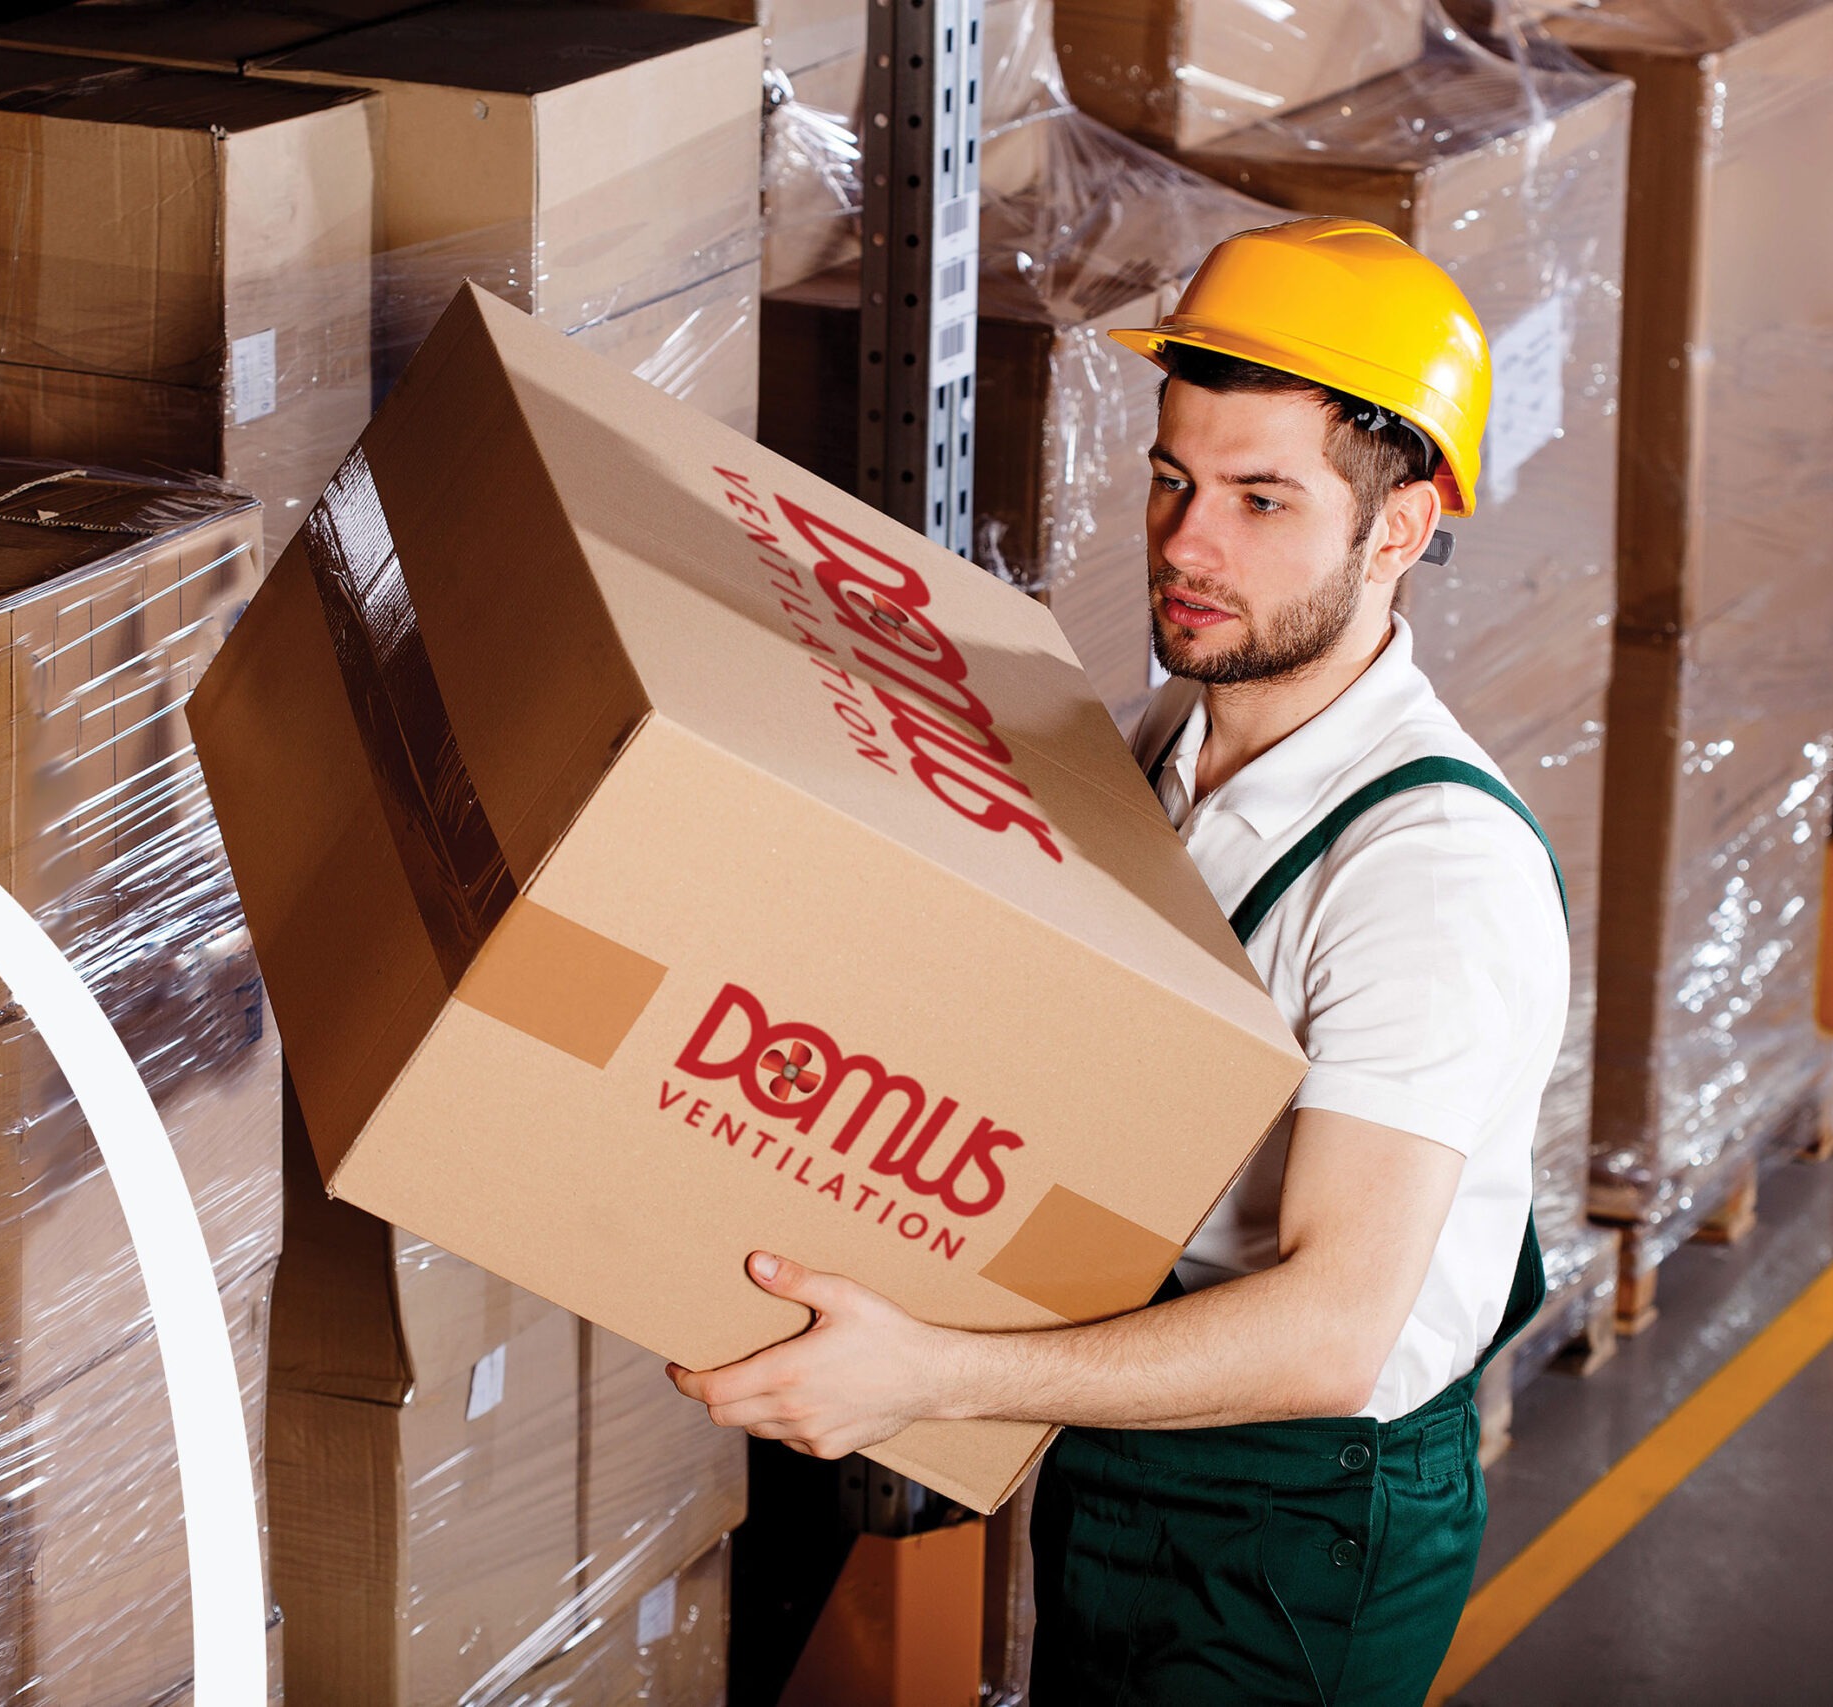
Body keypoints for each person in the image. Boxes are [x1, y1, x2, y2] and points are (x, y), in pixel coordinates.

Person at [670, 216, 1570, 1705]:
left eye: (1262, 500)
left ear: (1398, 528)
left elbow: (1332, 1328)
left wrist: (936, 1370)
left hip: (1298, 1516)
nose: (1186, 546)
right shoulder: (1180, 739)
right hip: (1135, 1433)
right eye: (1173, 480)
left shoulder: (1429, 872)